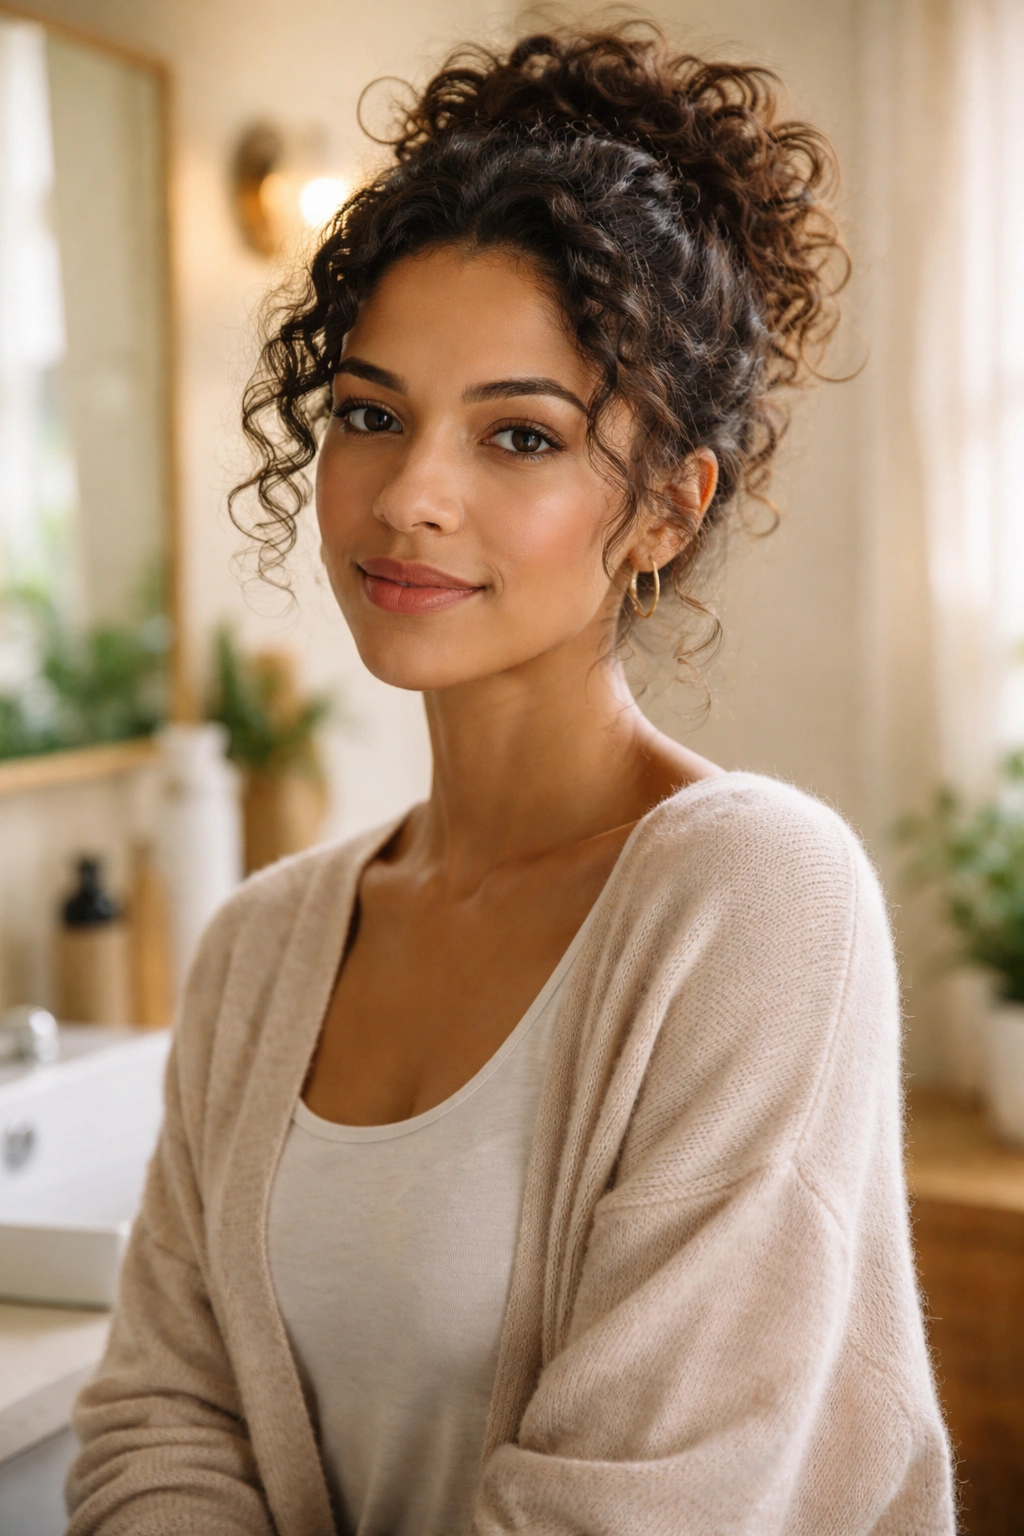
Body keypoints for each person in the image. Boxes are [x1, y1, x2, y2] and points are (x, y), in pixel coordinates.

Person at [66, 25, 955, 1536]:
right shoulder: (261, 951)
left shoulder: (753, 907)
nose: (410, 493)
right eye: (370, 412)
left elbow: (639, 1508)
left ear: (668, 509)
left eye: (519, 435)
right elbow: (160, 1414)